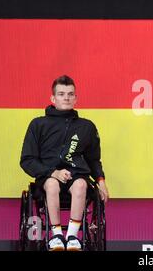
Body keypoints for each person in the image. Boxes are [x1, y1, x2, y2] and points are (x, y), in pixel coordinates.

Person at [20, 75, 109, 251]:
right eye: (61, 94)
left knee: (81, 185)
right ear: (53, 98)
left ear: (76, 98)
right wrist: (53, 172)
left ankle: (73, 237)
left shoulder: (86, 127)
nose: (66, 98)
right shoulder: (38, 124)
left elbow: (93, 159)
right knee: (52, 184)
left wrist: (101, 181)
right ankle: (57, 237)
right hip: (47, 178)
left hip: (77, 176)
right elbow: (27, 160)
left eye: (70, 94)